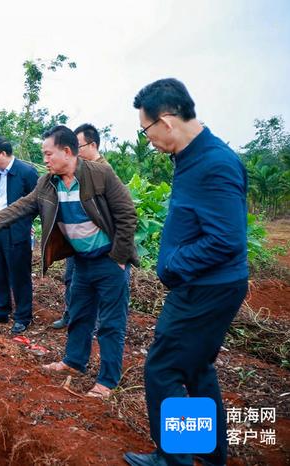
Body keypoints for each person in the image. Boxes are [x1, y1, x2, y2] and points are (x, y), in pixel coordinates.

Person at [124, 79, 248, 466]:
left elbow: (227, 239)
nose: (148, 140)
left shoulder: (213, 163)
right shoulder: (193, 158)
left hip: (205, 289)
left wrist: (174, 266)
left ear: (166, 121)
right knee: (195, 368)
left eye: (145, 131)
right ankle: (208, 457)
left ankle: (174, 459)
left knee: (164, 367)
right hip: (207, 285)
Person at [0, 125, 138, 398]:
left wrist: (119, 257)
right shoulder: (48, 183)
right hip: (81, 261)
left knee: (111, 323)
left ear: (67, 152)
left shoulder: (100, 174)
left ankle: (107, 380)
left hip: (108, 261)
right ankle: (74, 361)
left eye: (48, 154)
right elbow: (21, 206)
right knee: (79, 314)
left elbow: (127, 214)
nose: (44, 160)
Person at [53, 123, 110, 330]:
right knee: (71, 279)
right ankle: (71, 315)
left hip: (97, 244)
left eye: (79, 145)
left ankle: (96, 323)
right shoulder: (75, 171)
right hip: (76, 240)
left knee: (96, 285)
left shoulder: (104, 172)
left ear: (92, 145)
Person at [0, 136, 38, 334]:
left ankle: (23, 316)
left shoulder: (26, 173)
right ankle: (1, 310)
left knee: (19, 275)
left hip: (17, 231)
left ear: (3, 154)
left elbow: (36, 202)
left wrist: (24, 224)